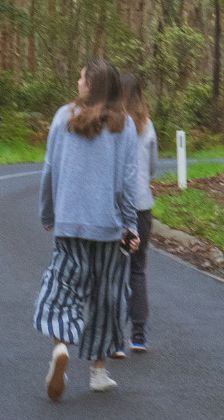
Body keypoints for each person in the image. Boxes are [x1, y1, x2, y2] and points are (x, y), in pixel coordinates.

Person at [33, 59, 145, 399]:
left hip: (70, 223)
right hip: (108, 228)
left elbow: (49, 170)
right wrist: (130, 224)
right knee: (106, 296)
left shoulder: (63, 116)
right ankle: (98, 371)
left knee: (61, 289)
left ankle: (61, 347)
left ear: (92, 85)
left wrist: (48, 213)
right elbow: (127, 183)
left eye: (82, 77)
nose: (78, 81)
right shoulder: (123, 125)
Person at [120, 70, 158, 354]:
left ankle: (113, 337)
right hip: (143, 207)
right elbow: (153, 167)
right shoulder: (148, 126)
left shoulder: (113, 125)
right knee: (138, 270)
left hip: (118, 209)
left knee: (112, 271)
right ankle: (139, 335)